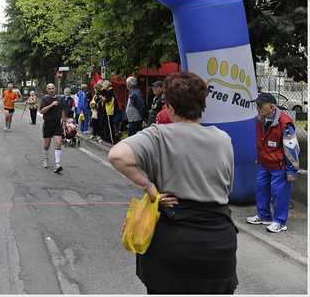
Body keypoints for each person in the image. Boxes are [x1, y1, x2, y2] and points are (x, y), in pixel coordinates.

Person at [108, 71, 238, 294]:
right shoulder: (222, 139)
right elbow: (227, 188)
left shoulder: (158, 135)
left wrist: (150, 188)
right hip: (217, 239)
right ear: (202, 104)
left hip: (173, 237)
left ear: (169, 105)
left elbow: (117, 155)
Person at [246, 92, 300, 233]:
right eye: (257, 105)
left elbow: (291, 148)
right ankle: (264, 215)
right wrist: (259, 157)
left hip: (279, 166)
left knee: (279, 194)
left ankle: (280, 222)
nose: (257, 108)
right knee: (261, 190)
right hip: (265, 164)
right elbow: (261, 141)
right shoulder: (260, 119)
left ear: (271, 107)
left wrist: (292, 170)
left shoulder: (285, 123)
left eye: (261, 105)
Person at [39, 83, 66, 173]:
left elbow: (62, 110)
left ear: (55, 89)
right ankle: (45, 159)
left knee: (58, 143)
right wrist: (51, 105)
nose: (51, 90)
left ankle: (57, 164)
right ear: (47, 90)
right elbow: (41, 111)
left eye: (53, 88)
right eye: (49, 89)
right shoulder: (44, 99)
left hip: (57, 124)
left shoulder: (60, 98)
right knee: (47, 145)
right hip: (47, 124)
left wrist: (64, 121)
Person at [102, 80, 117, 145]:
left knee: (109, 126)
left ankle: (111, 141)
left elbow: (108, 101)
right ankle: (109, 140)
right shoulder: (112, 91)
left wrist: (103, 99)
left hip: (109, 110)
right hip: (110, 110)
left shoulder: (109, 92)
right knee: (108, 126)